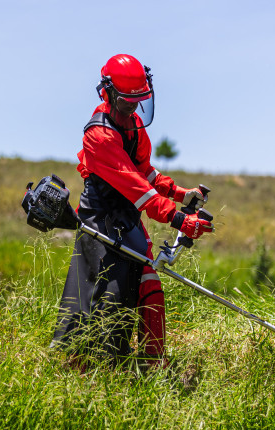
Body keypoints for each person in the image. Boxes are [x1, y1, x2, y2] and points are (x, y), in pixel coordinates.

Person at [50, 54, 214, 368]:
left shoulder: (134, 125)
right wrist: (179, 218)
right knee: (104, 307)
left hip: (129, 221)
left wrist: (182, 194)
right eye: (126, 100)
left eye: (139, 100)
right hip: (101, 224)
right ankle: (91, 371)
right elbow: (137, 190)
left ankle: (151, 368)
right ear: (108, 94)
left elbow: (145, 174)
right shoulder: (99, 135)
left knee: (151, 289)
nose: (133, 107)